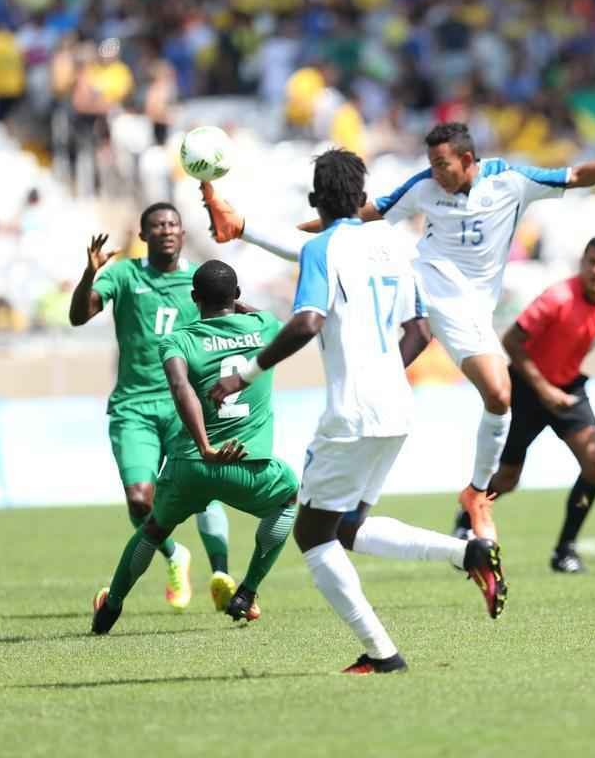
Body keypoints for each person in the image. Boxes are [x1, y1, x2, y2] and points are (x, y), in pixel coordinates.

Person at [205, 121, 595, 544]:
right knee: (337, 248)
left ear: (468, 161)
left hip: (469, 306)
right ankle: (239, 225)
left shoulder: (510, 181)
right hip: (423, 277)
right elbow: (356, 216)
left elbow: (577, 176)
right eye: (431, 164)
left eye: (442, 164)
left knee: (499, 395)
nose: (436, 172)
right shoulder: (425, 186)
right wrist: (283, 227)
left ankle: (477, 492)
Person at [208, 148, 505, 674]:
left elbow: (306, 322)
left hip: (351, 413)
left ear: (314, 202)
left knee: (311, 535)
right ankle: (468, 554)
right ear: (365, 199)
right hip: (396, 408)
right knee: (345, 527)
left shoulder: (323, 248)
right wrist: (386, 367)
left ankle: (382, 652)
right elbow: (419, 331)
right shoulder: (396, 246)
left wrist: (244, 374)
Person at [92, 261, 298, 633]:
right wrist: (239, 306)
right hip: (248, 466)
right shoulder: (265, 327)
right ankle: (247, 592)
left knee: (153, 530)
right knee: (288, 497)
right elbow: (263, 316)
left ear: (193, 299)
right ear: (236, 296)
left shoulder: (178, 340)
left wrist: (204, 447)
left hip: (191, 465)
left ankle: (112, 607)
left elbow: (179, 387)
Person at [68, 203, 232, 611]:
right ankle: (176, 555)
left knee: (204, 492)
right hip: (134, 407)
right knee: (140, 500)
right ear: (143, 235)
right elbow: (78, 316)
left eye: (173, 223)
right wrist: (91, 272)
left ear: (181, 231)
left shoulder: (197, 280)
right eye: (157, 225)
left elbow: (224, 324)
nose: (167, 230)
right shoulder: (124, 275)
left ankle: (222, 575)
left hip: (185, 404)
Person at [467, 236, 595, 574]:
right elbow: (512, 341)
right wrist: (544, 389)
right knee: (507, 479)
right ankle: (468, 515)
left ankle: (565, 549)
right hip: (525, 387)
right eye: (591, 261)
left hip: (568, 388)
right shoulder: (557, 297)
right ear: (582, 260)